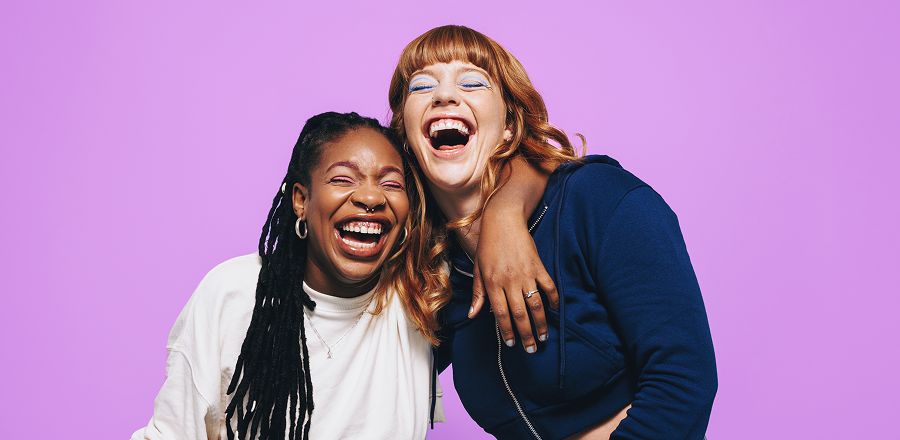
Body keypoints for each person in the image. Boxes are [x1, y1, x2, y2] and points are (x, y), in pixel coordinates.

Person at [389, 25, 718, 440]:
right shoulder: (439, 270)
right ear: (405, 132)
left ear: (509, 124)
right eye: (422, 86)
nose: (445, 95)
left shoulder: (599, 201)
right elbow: (378, 376)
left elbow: (685, 379)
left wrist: (506, 210)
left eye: (472, 81)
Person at [132, 112, 445, 440]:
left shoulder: (422, 294)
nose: (370, 197)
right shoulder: (232, 294)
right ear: (301, 200)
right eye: (343, 179)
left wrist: (505, 204)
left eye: (391, 184)